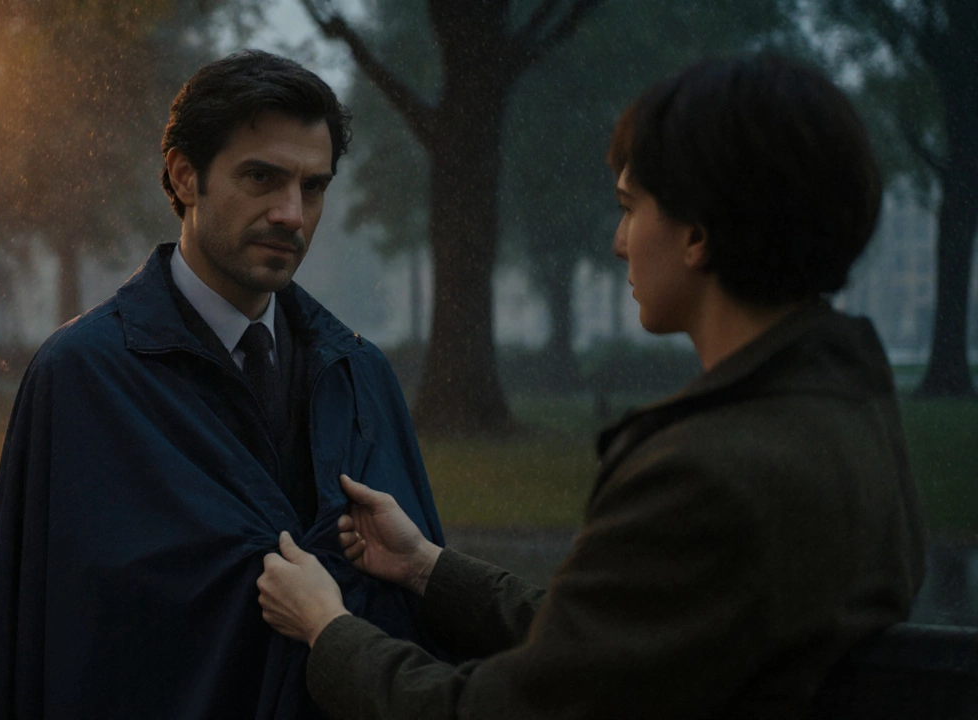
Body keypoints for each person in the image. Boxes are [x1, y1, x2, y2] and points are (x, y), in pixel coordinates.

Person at [256, 53, 926, 719]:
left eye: (631, 208)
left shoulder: (710, 475)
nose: (619, 241)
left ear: (696, 234)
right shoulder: (848, 412)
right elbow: (624, 644)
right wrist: (426, 566)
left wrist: (328, 628)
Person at [0, 50, 446, 720]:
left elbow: (421, 624)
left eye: (313, 187)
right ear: (185, 175)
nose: (292, 214)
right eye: (262, 177)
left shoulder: (363, 379)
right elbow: (22, 644)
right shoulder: (81, 378)